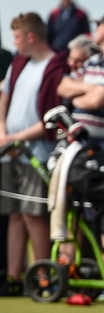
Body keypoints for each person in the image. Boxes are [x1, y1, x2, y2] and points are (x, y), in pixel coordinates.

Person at [0, 13, 68, 296]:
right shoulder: (19, 63)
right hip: (10, 151)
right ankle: (15, 277)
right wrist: (3, 133)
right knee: (15, 215)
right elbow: (4, 95)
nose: (14, 43)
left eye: (17, 37)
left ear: (31, 37)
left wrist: (15, 139)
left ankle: (43, 276)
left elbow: (52, 118)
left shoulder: (54, 65)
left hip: (35, 152)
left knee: (33, 215)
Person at [57, 9, 104, 163]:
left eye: (99, 25)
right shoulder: (93, 60)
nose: (95, 30)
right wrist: (90, 89)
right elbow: (63, 87)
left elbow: (96, 101)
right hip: (78, 145)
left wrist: (75, 98)